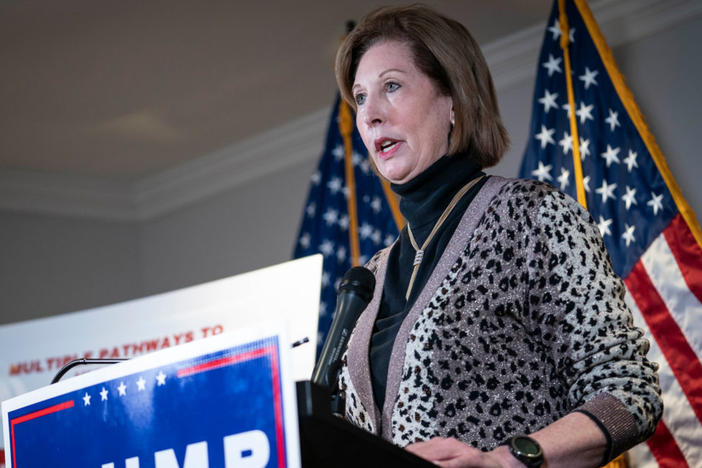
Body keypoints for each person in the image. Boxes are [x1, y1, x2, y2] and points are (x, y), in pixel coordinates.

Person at [332, 5, 662, 467]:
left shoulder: (531, 217)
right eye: (361, 98)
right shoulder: (365, 281)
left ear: (451, 99)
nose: (370, 116)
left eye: (391, 86)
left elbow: (630, 394)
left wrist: (504, 461)